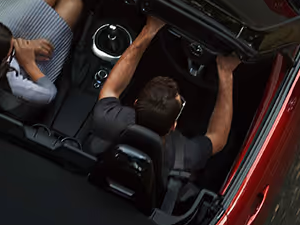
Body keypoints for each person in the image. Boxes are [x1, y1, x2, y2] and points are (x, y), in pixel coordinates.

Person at [88, 12, 240, 184]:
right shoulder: (185, 154)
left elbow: (112, 88)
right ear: (174, 125)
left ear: (135, 104)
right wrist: (225, 72)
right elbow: (218, 138)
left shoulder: (108, 118)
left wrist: (149, 30)